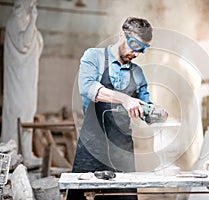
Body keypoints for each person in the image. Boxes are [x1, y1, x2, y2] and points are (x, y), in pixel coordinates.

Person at [67, 17, 166, 200]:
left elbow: (146, 108)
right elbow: (88, 88)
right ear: (122, 35)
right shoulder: (94, 57)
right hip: (92, 147)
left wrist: (156, 113)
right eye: (135, 45)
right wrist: (125, 99)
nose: (137, 53)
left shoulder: (137, 73)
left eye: (143, 49)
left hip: (122, 151)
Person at [2, 0, 43, 168]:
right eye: (31, 1)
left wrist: (32, 23)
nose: (34, 4)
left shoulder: (26, 24)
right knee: (17, 113)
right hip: (17, 81)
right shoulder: (14, 23)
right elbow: (24, 44)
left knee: (28, 113)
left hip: (28, 79)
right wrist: (33, 19)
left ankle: (26, 153)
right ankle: (13, 151)